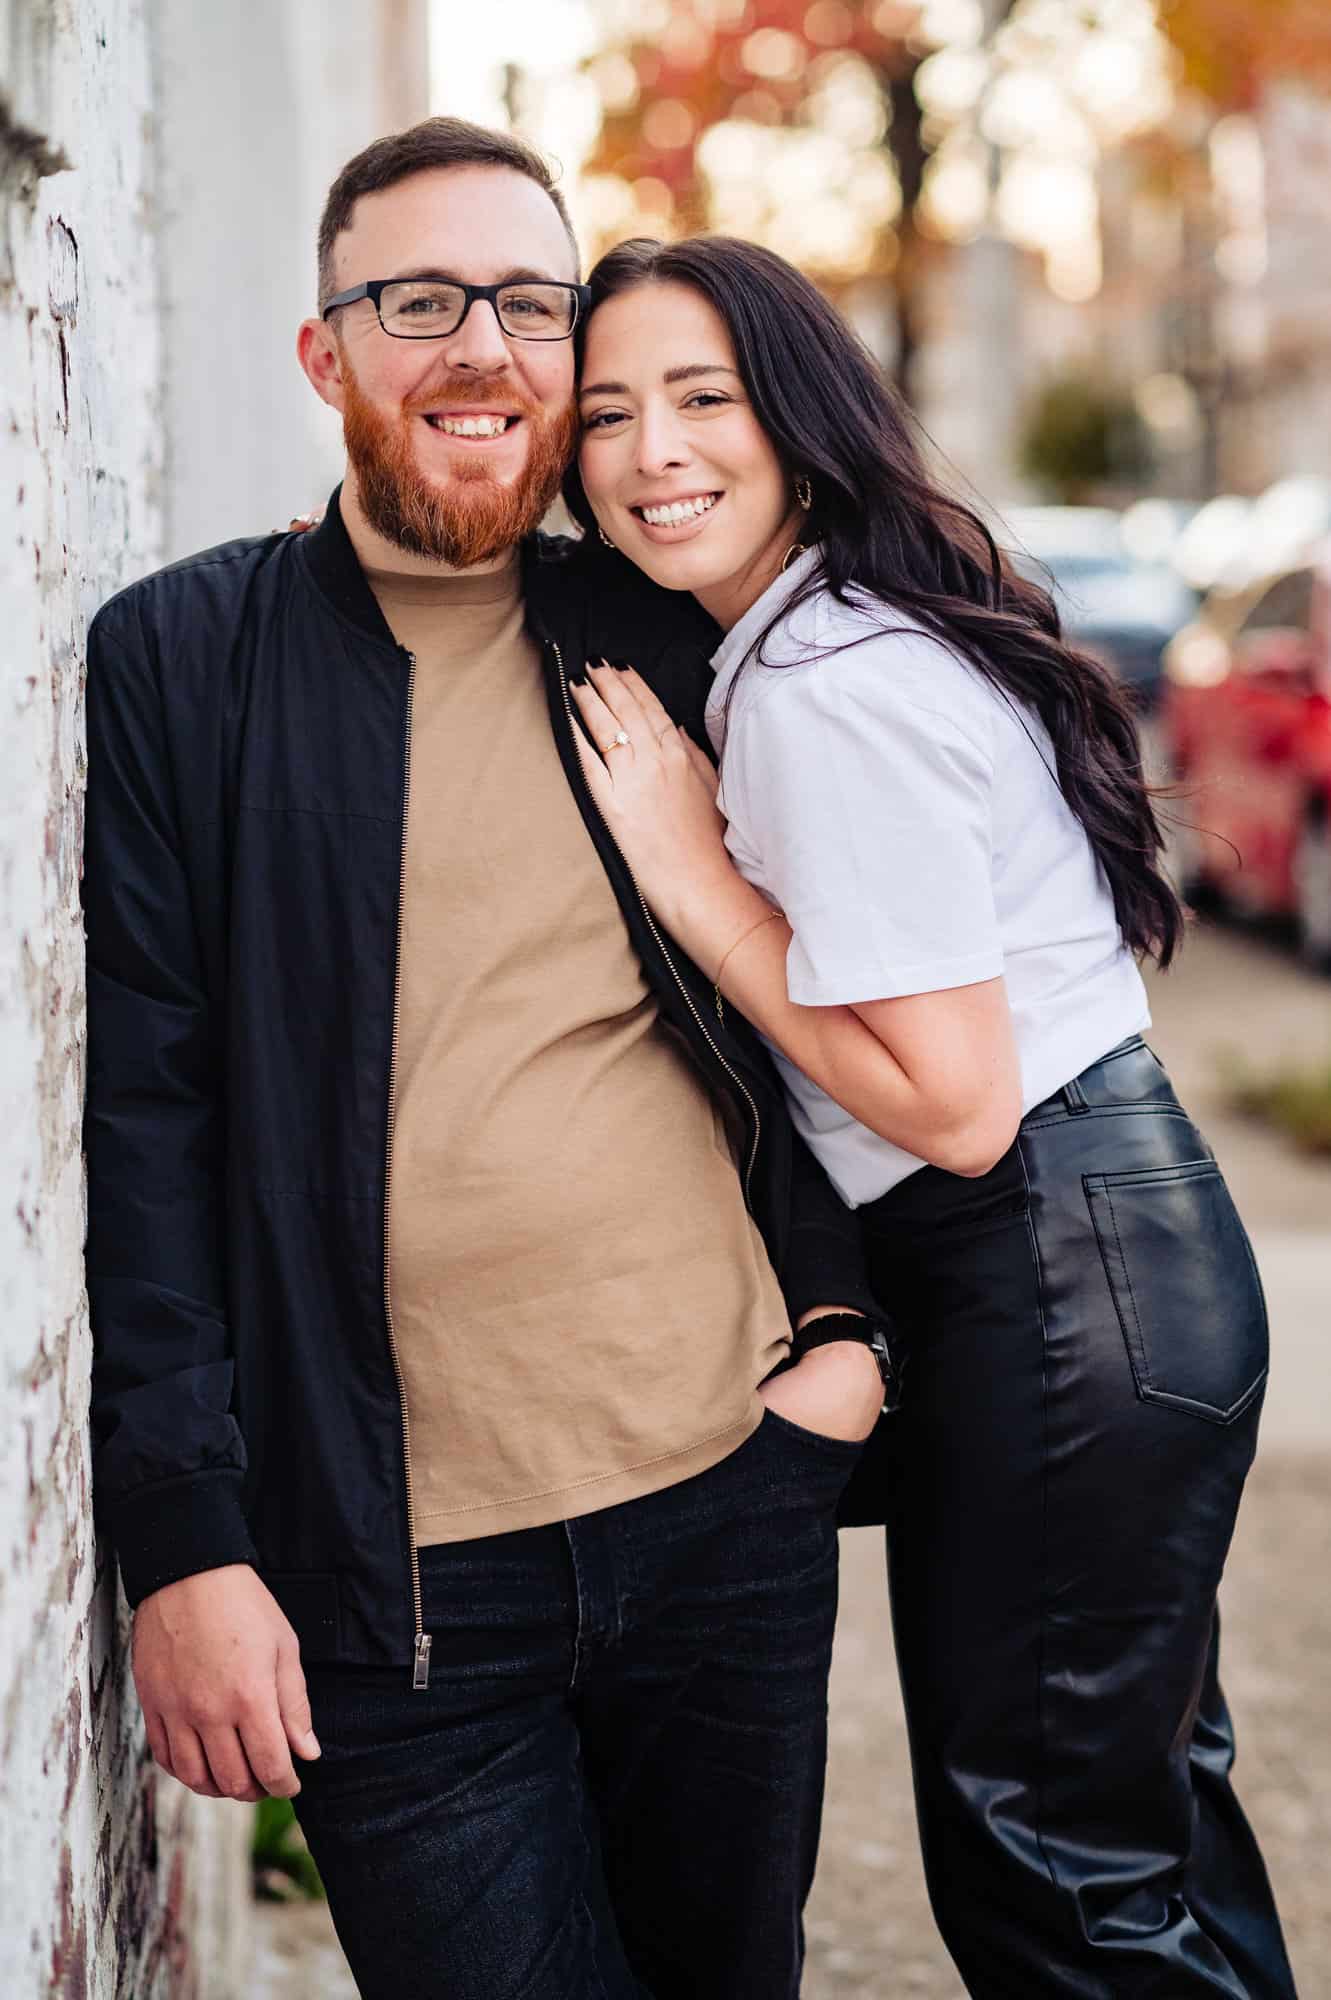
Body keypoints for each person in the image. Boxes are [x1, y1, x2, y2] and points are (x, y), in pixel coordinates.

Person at [82, 123, 897, 2000]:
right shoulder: (184, 662)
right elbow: (147, 1113)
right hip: (395, 1584)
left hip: (725, 1502)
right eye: (416, 300)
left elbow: (825, 998)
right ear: (325, 351)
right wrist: (183, 1543)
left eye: (530, 305)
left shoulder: (668, 630)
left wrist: (841, 1349)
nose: (480, 349)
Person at [565, 233, 1296, 1997]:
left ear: (799, 422)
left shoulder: (826, 688)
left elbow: (956, 1109)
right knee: (1144, 1837)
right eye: (607, 414)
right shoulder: (832, 630)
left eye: (702, 399)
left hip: (1048, 1270)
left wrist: (685, 870)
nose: (653, 450)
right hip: (1115, 1255)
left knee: (1057, 1879)